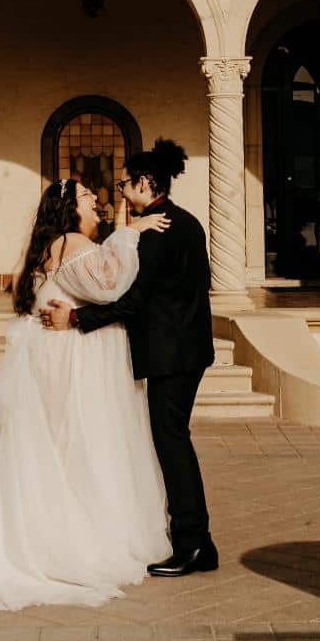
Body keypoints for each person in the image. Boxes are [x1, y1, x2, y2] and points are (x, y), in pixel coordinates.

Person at [0, 179, 174, 610]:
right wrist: (129, 233)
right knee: (79, 444)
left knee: (62, 447)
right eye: (86, 197)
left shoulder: (55, 245)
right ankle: (73, 539)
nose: (95, 203)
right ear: (68, 208)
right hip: (69, 363)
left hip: (57, 359)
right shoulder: (71, 241)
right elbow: (110, 286)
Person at [40, 139, 219, 578]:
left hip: (171, 355)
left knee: (171, 443)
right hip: (186, 350)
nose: (119, 192)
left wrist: (77, 319)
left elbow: (131, 300)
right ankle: (199, 543)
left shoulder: (157, 231)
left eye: (124, 184)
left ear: (144, 183)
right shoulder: (186, 222)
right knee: (174, 439)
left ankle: (193, 544)